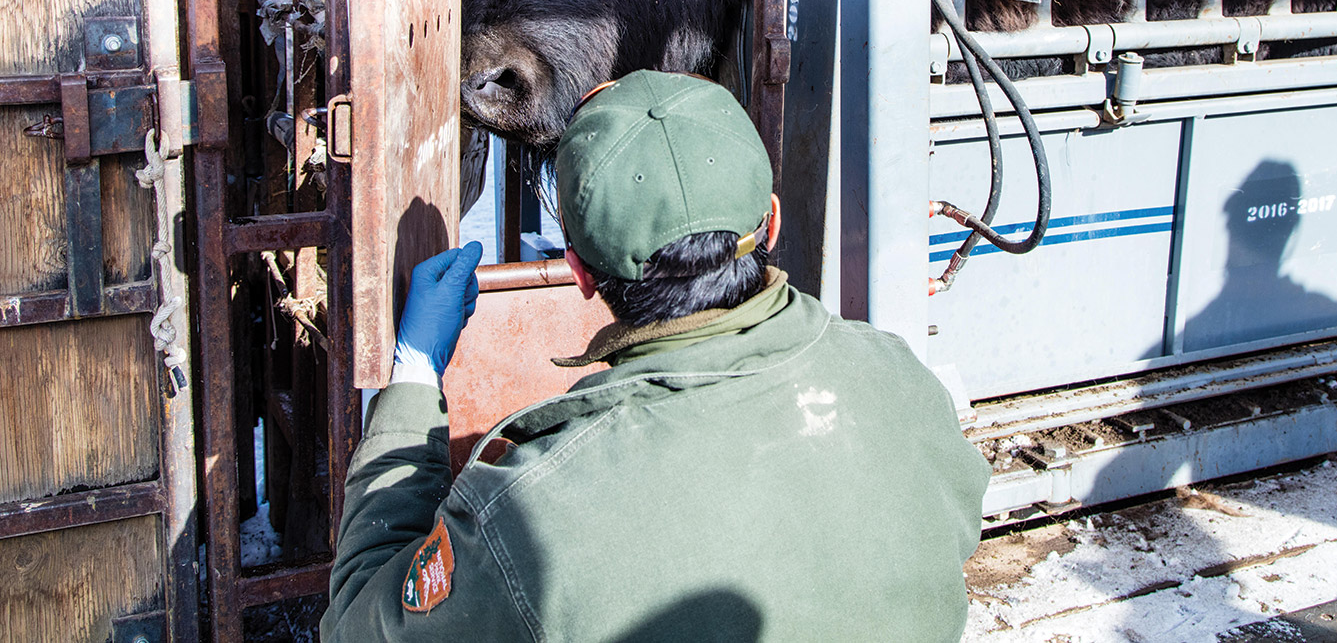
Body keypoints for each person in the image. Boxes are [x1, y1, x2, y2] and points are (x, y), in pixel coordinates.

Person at [322, 70, 990, 642]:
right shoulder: (902, 382)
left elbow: (356, 619)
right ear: (773, 223)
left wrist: (412, 374)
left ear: (579, 273)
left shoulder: (530, 519)